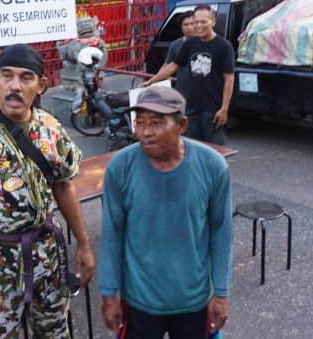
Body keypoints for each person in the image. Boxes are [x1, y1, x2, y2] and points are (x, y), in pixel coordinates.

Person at [0, 43, 96, 337]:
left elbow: (64, 186)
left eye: (26, 77)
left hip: (47, 257)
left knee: (55, 332)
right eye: (6, 76)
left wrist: (84, 244)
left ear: (42, 85)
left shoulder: (50, 127)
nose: (14, 86)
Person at [97, 86, 232, 339]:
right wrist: (109, 294)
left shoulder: (213, 166)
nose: (145, 132)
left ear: (181, 125)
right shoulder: (120, 167)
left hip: (194, 300)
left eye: (157, 123)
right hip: (139, 301)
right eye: (140, 123)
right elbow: (112, 233)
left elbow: (221, 232)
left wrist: (221, 294)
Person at [142, 5, 235, 145]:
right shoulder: (190, 44)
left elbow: (229, 79)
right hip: (191, 107)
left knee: (215, 150)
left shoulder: (224, 46)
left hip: (212, 109)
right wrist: (151, 81)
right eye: (196, 22)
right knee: (190, 146)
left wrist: (224, 108)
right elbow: (173, 65)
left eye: (203, 22)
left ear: (213, 21)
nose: (198, 25)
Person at [158, 11, 195, 92]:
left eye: (192, 23)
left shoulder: (205, 42)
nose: (189, 27)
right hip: (181, 91)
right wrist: (155, 82)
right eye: (186, 24)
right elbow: (166, 66)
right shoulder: (175, 45)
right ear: (181, 27)